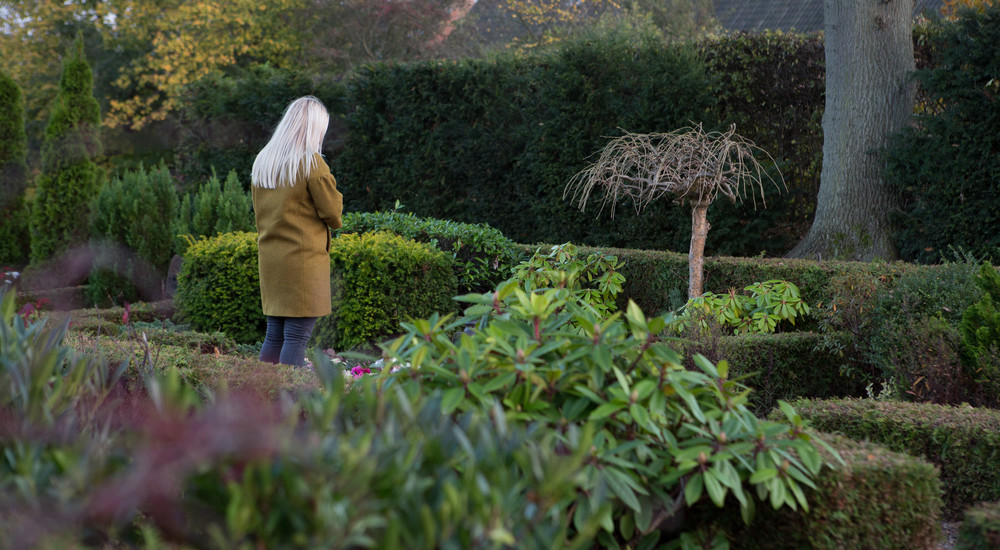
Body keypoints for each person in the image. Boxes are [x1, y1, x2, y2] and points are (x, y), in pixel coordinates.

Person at [251, 96, 343, 367]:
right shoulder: (311, 163)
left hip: (272, 261)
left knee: (275, 336)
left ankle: (261, 396)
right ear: (314, 128)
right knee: (295, 340)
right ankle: (290, 401)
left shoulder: (264, 161)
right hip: (302, 261)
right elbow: (333, 215)